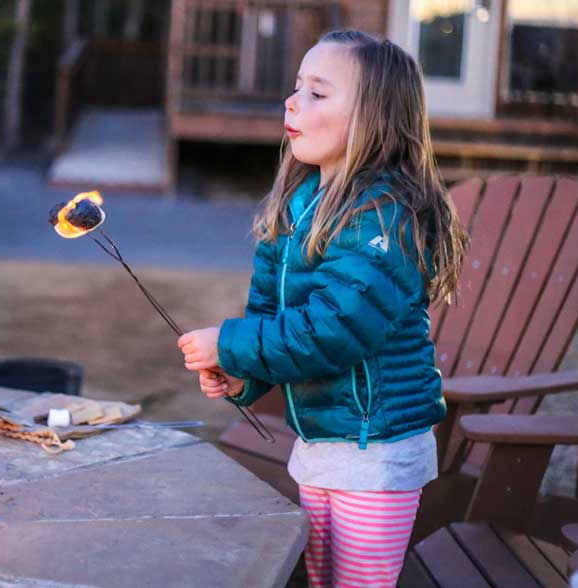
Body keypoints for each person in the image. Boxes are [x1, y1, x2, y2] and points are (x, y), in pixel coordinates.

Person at [178, 29, 468, 588]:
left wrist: (229, 343)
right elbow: (270, 315)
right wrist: (242, 374)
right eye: (296, 87)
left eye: (317, 92)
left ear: (373, 119)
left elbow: (332, 331)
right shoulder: (297, 206)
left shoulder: (385, 214)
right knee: (320, 578)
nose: (292, 102)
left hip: (375, 451)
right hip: (320, 444)